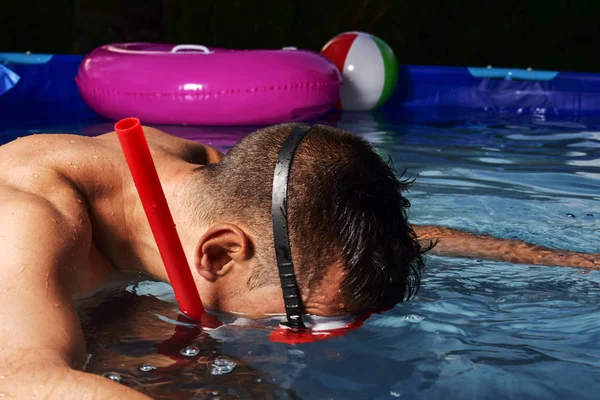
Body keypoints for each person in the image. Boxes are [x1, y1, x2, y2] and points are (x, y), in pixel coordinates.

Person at [0, 122, 597, 398]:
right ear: (222, 254)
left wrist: (570, 261)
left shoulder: (208, 186)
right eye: (301, 320)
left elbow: (333, 232)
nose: (296, 335)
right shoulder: (28, 219)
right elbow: (24, 379)